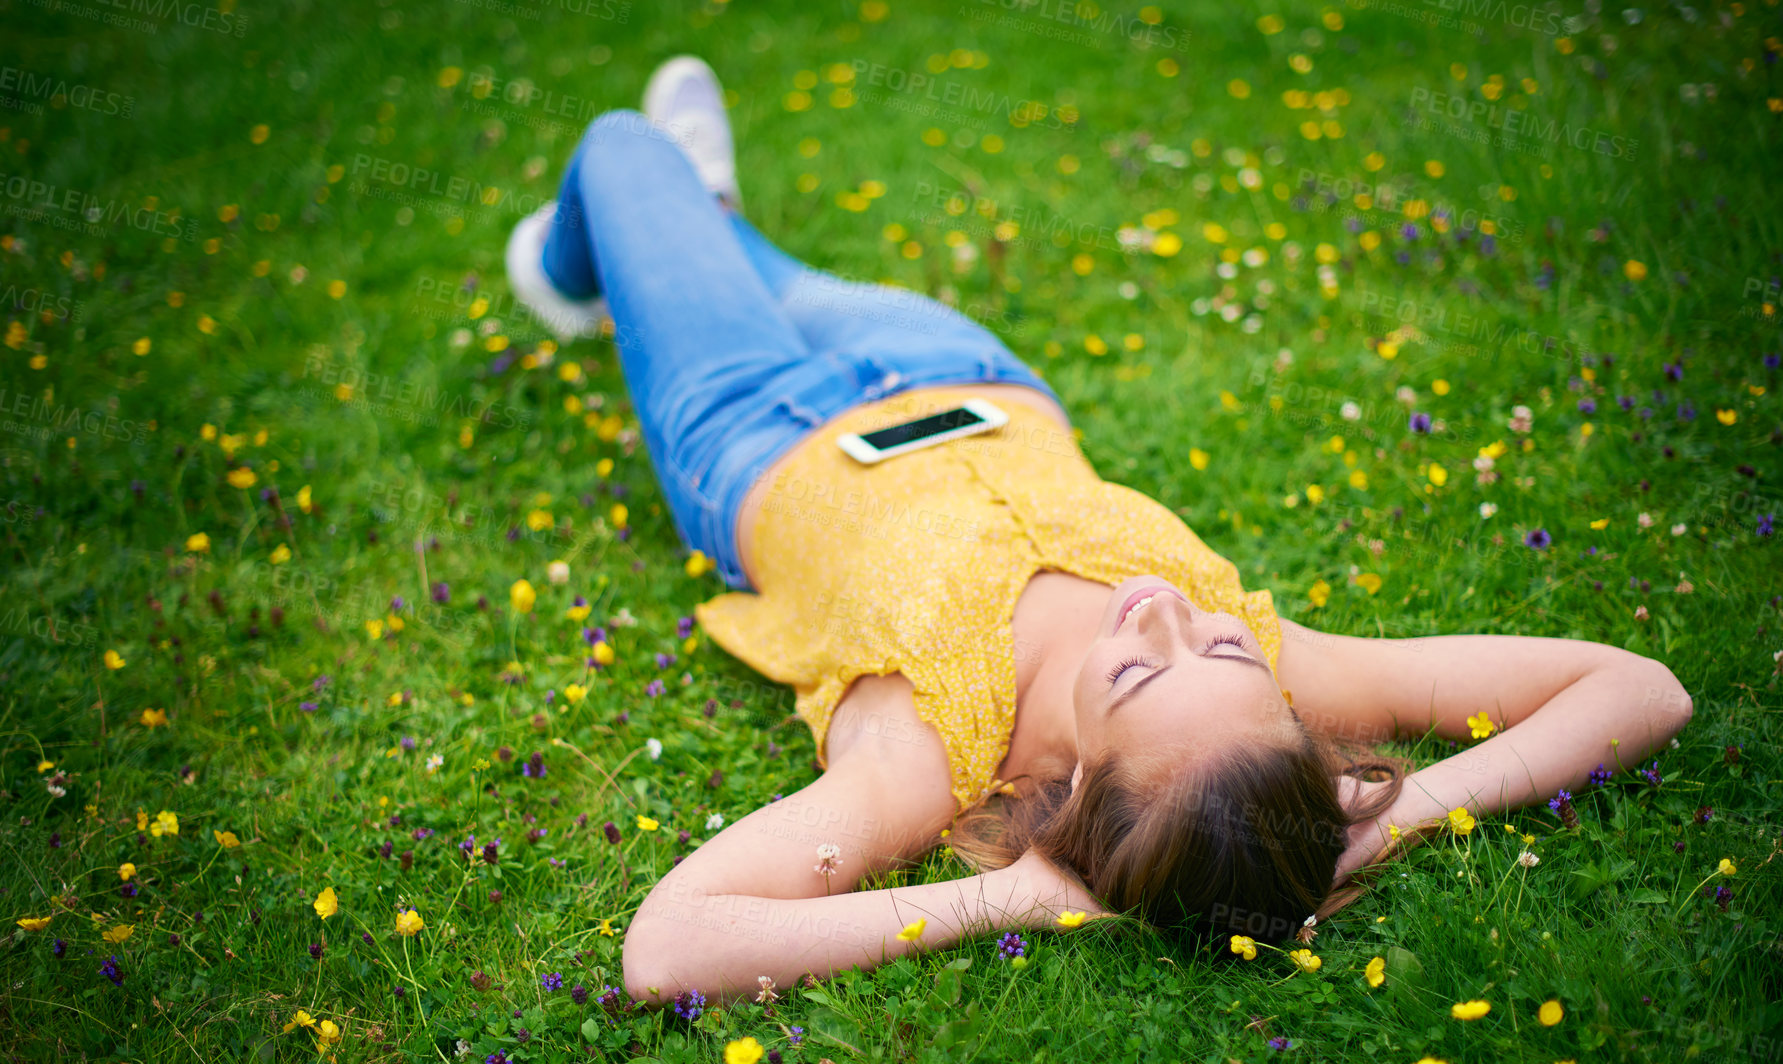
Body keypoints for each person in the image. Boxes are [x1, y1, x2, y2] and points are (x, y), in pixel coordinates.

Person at [505, 56, 1694, 1009]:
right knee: (710, 238)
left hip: (750, 426)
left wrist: (1011, 901)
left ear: (1071, 788)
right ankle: (700, 220)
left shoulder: (927, 758)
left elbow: (668, 947)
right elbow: (1638, 685)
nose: (1165, 611)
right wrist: (1365, 831)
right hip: (953, 365)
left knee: (617, 149)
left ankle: (585, 269)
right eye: (1223, 650)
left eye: (1131, 672)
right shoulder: (1286, 685)